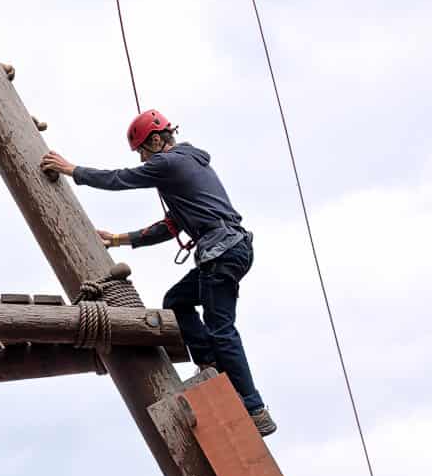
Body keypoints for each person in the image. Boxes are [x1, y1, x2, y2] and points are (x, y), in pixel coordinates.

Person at [41, 109, 276, 436]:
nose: (142, 159)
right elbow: (171, 226)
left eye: (142, 151)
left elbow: (120, 178)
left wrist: (72, 170)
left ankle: (254, 408)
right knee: (177, 300)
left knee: (221, 328)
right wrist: (121, 239)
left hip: (221, 250)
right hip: (229, 248)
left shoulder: (170, 163)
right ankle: (209, 362)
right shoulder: (188, 166)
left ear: (154, 140)